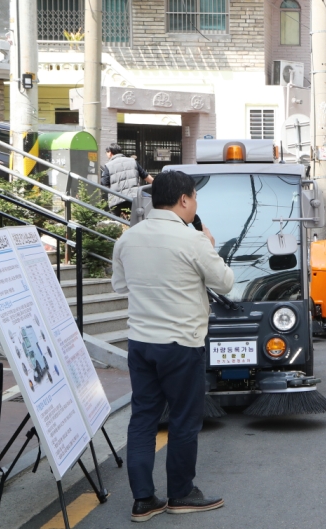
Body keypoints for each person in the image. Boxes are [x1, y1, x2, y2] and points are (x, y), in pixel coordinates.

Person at [111, 171, 234, 522]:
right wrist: (209, 244)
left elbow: (120, 286)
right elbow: (225, 283)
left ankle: (143, 500)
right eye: (194, 198)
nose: (195, 204)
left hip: (141, 342)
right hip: (181, 343)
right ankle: (181, 493)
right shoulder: (193, 240)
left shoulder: (128, 239)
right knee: (183, 419)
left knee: (143, 418)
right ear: (183, 199)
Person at [101, 143, 153, 217]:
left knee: (115, 221)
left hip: (117, 200)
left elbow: (104, 183)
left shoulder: (108, 165)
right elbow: (145, 176)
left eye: (106, 152)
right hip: (133, 198)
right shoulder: (133, 161)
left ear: (110, 152)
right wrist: (157, 184)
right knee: (135, 219)